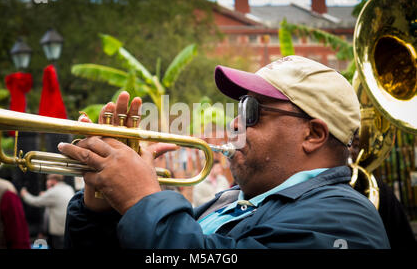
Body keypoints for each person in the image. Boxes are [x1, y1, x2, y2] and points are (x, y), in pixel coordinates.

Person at [61, 56, 390, 248]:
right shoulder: (229, 200)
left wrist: (141, 199)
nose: (235, 123)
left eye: (252, 109)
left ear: (313, 134)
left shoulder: (344, 219)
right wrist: (99, 211)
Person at [21, 174, 74, 249]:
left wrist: (24, 194)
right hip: (67, 229)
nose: (47, 182)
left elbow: (35, 201)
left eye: (48, 180)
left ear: (53, 180)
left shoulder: (53, 192)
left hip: (58, 233)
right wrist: (46, 194)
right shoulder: (69, 188)